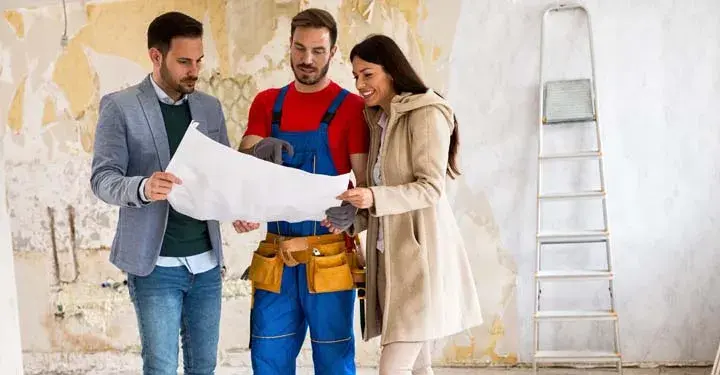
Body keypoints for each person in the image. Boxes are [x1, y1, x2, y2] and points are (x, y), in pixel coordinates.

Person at [332, 34, 484, 375]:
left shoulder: (426, 113)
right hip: (391, 262)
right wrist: (352, 218)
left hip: (420, 259)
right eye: (355, 75)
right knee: (418, 368)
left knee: (393, 369)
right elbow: (384, 189)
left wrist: (373, 197)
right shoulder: (379, 120)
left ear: (392, 71)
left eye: (367, 74)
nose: (359, 84)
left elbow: (430, 188)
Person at [90, 11, 229, 375]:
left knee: (205, 367)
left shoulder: (209, 108)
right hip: (155, 266)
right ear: (156, 56)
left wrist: (238, 205)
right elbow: (102, 179)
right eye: (183, 61)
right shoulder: (120, 106)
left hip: (208, 264)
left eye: (198, 61)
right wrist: (143, 187)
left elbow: (223, 174)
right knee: (162, 367)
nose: (194, 71)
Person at [232, 8, 369, 375]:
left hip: (329, 258)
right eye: (299, 48)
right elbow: (243, 161)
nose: (307, 59)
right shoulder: (267, 102)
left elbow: (366, 181)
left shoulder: (352, 108)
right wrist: (255, 152)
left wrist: (355, 216)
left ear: (333, 52)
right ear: (289, 47)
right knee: (268, 360)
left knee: (335, 363)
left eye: (318, 51)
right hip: (276, 259)